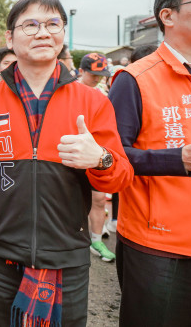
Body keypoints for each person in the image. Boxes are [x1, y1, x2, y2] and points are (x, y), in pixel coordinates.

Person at [0, 0, 134, 327]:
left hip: (68, 254)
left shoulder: (92, 101)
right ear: (10, 38)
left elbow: (121, 176)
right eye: (31, 25)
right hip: (1, 253)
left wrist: (100, 159)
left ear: (63, 33)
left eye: (53, 24)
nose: (43, 33)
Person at [109, 0, 191, 326]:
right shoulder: (135, 79)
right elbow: (111, 157)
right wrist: (180, 159)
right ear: (168, 15)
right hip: (161, 246)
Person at [76, 53, 117, 262]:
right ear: (81, 71)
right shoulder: (69, 91)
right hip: (73, 153)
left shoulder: (102, 93)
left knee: (99, 199)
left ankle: (97, 240)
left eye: (101, 75)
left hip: (97, 152)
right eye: (93, 74)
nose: (98, 79)